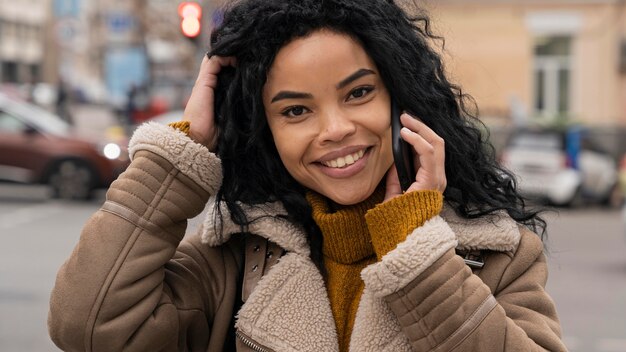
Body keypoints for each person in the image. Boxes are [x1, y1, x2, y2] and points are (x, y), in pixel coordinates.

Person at [48, 0, 567, 351]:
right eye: (296, 111)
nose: (336, 129)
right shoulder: (233, 261)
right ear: (265, 129)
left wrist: (419, 254)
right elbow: (86, 328)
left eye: (359, 92)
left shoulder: (498, 255)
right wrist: (178, 155)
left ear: (400, 96)